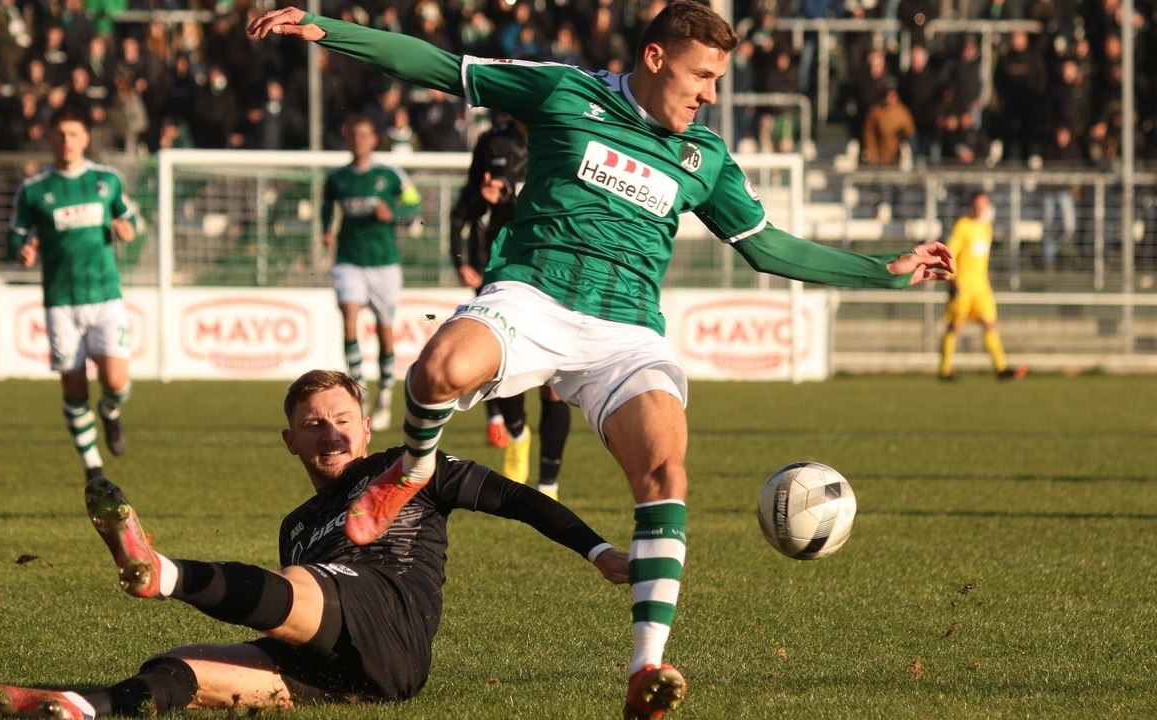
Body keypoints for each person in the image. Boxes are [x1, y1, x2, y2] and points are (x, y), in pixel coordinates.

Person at [247, 5, 953, 718]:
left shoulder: (704, 159)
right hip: (531, 297)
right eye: (701, 76)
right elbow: (440, 67)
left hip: (624, 333)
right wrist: (329, 30)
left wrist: (884, 272)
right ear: (654, 59)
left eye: (716, 80)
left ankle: (646, 667)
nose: (710, 94)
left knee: (666, 469)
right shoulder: (564, 92)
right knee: (434, 374)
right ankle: (414, 469)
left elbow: (769, 248)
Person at [0, 369, 627, 718]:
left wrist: (600, 553)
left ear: (367, 429)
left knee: (303, 584)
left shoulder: (408, 466)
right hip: (342, 673)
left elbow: (514, 497)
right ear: (292, 442)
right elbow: (288, 611)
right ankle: (79, 708)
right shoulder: (297, 523)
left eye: (341, 420)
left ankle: (160, 572)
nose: (329, 432)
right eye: (313, 425)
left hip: (389, 622)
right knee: (179, 666)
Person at [7, 108, 136, 481]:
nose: (67, 141)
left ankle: (110, 413)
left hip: (105, 294)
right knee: (74, 385)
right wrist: (22, 252)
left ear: (86, 139)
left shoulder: (105, 181)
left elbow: (129, 220)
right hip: (61, 301)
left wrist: (128, 231)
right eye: (60, 134)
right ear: (51, 138)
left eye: (74, 134)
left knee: (115, 382)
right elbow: (14, 237)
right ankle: (92, 465)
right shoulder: (33, 191)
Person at [448, 111, 572, 496]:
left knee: (553, 381)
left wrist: (508, 198)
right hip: (502, 267)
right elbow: (467, 201)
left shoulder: (568, 140)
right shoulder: (492, 142)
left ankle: (548, 482)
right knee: (506, 361)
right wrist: (461, 258)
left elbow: (562, 210)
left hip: (554, 268)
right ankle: (517, 436)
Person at [320, 114, 422, 431]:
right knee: (349, 315)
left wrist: (394, 213)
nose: (359, 140)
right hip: (349, 260)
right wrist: (327, 229)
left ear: (374, 140)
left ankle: (385, 397)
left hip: (384, 263)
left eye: (365, 135)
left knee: (384, 331)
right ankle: (358, 396)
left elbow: (414, 205)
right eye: (354, 134)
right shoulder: (337, 178)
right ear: (347, 138)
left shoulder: (389, 175)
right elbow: (327, 206)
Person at [938, 191, 1027, 382]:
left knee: (989, 323)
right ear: (971, 206)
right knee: (955, 326)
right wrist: (951, 279)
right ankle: (945, 370)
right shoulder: (963, 225)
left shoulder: (987, 228)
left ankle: (1001, 368)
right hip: (962, 284)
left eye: (983, 205)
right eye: (977, 205)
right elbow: (950, 253)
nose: (980, 209)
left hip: (981, 286)